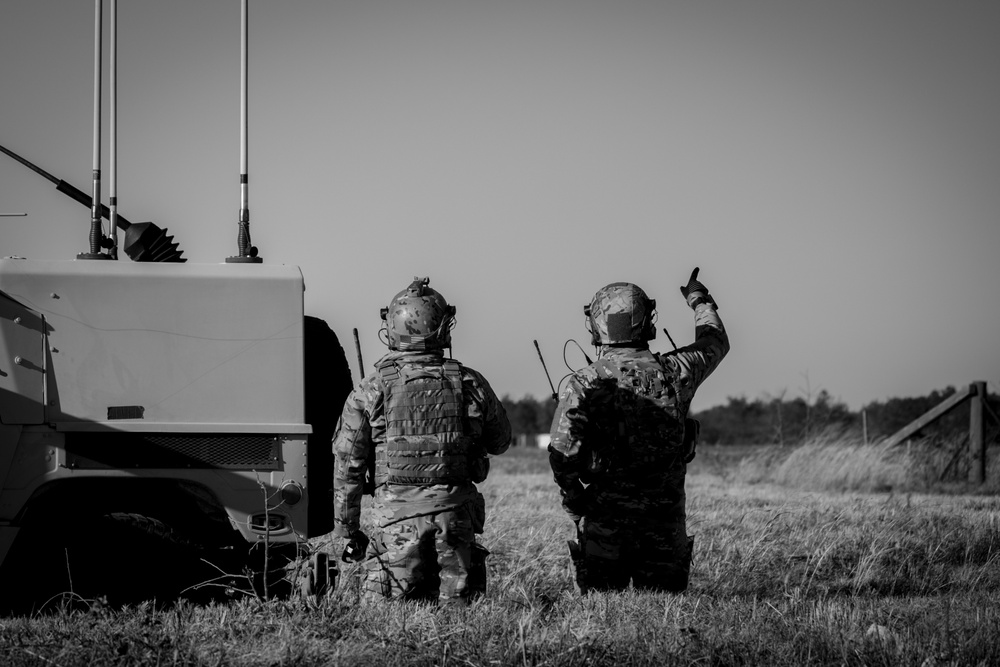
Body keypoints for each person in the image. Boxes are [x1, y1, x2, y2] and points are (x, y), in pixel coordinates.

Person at [548, 268, 729, 593]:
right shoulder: (678, 370)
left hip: (605, 525)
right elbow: (715, 341)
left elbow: (562, 458)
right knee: (664, 617)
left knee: (602, 618)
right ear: (648, 320)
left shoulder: (584, 382)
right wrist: (698, 300)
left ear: (596, 324)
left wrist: (575, 503)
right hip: (665, 523)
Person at [333, 277, 511, 606]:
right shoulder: (470, 381)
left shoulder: (371, 388)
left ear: (392, 326)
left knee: (387, 630)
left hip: (394, 524)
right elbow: (501, 441)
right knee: (461, 623)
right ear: (442, 327)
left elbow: (348, 467)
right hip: (455, 522)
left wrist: (347, 531)